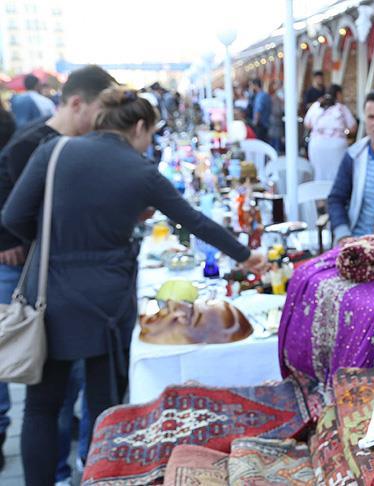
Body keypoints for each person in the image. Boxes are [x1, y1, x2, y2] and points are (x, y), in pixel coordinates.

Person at [2, 88, 269, 486]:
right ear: (140, 127)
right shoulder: (139, 169)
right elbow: (194, 221)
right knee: (107, 407)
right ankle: (101, 477)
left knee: (41, 408)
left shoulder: (55, 151)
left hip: (51, 294)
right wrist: (245, 255)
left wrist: (50, 242)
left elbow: (12, 216)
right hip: (107, 303)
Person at [0, 64, 117, 477]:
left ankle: (78, 465)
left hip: (72, 282)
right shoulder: (29, 145)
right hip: (40, 280)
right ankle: (56, 470)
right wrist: (12, 243)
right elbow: (12, 212)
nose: (104, 120)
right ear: (77, 103)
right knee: (48, 392)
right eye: (100, 109)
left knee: (74, 390)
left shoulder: (84, 145)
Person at [327, 90, 374, 242]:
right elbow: (336, 199)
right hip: (356, 242)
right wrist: (343, 235)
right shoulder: (353, 155)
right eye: (371, 117)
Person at [304, 84, 356, 181]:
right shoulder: (341, 108)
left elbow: (307, 124)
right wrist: (344, 132)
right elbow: (353, 127)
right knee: (337, 174)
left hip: (316, 144)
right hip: (337, 145)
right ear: (338, 94)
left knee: (318, 173)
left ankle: (318, 194)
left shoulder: (316, 106)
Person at [250, 78, 272, 143]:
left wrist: (255, 123)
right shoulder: (265, 95)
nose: (251, 87)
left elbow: (258, 111)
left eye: (251, 85)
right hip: (266, 124)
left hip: (260, 125)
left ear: (255, 85)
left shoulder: (260, 96)